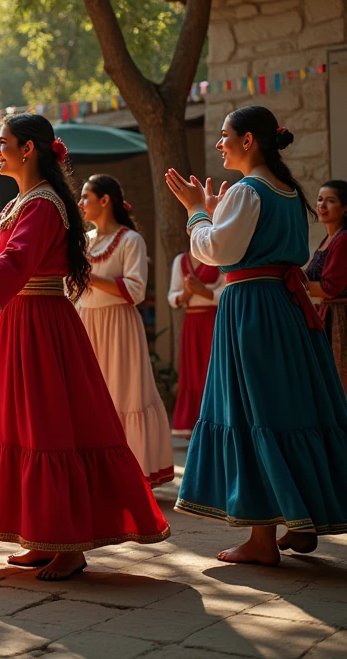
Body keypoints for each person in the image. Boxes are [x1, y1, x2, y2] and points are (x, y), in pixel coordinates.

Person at [0, 114, 170, 581]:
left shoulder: (44, 204)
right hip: (13, 322)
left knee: (47, 427)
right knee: (19, 425)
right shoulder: (21, 203)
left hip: (39, 324)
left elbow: (17, 260)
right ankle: (41, 535)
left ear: (29, 149)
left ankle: (69, 545)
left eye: (3, 143)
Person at [166, 105, 347, 564]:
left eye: (225, 135)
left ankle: (262, 540)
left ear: (249, 141)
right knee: (293, 407)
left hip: (251, 308)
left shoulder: (249, 190)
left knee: (253, 411)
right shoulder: (287, 189)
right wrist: (213, 210)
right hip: (283, 308)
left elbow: (216, 250)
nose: (219, 142)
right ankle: (303, 523)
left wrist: (195, 212)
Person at [75, 175, 174, 487]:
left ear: (105, 201)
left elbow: (135, 290)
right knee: (91, 397)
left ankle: (131, 474)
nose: (80, 204)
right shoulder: (84, 241)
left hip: (119, 327)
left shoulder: (131, 240)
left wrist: (88, 277)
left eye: (86, 196)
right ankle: (96, 473)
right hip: (86, 323)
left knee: (125, 394)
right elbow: (72, 288)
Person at [168, 245, 225, 437]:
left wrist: (202, 290)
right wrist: (186, 293)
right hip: (191, 322)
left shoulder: (221, 257)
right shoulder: (181, 260)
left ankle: (216, 422)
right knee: (192, 371)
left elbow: (225, 293)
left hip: (214, 321)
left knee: (212, 370)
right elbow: (173, 296)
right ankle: (191, 426)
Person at [305, 180, 347, 389]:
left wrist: (295, 281)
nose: (322, 205)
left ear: (345, 207)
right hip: (327, 313)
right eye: (320, 199)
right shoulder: (327, 239)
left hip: (341, 316)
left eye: (330, 201)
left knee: (340, 379)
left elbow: (330, 287)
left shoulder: (343, 239)